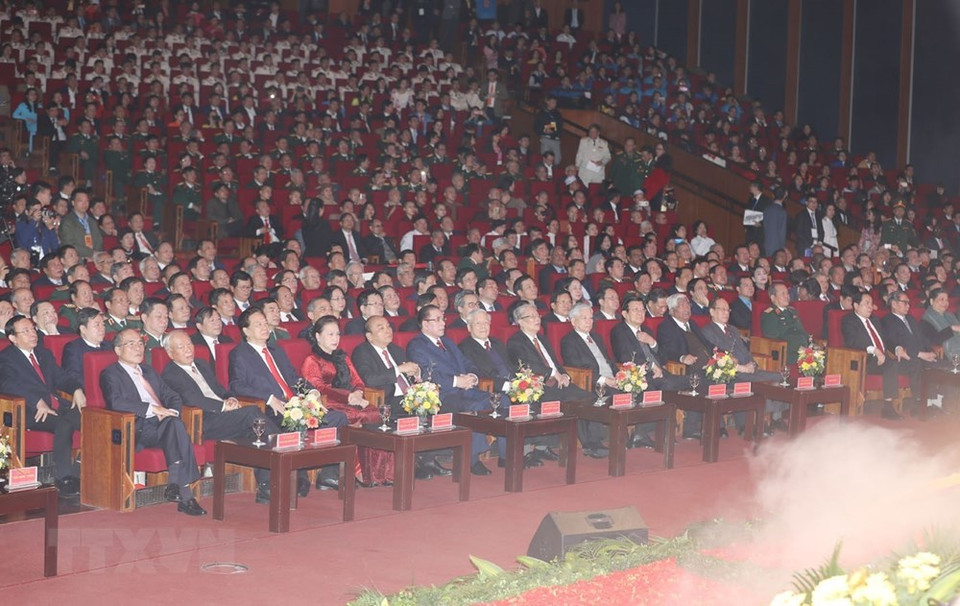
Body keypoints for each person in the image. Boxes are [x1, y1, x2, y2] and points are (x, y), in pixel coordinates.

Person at [228, 308, 348, 491]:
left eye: (265, 323)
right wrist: (269, 399)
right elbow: (237, 386)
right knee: (287, 426)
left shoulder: (276, 350)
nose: (264, 327)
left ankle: (328, 475)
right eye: (258, 324)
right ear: (245, 330)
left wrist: (312, 392)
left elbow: (293, 379)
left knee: (338, 418)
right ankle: (293, 476)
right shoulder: (239, 354)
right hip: (272, 410)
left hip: (296, 407)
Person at [161, 330, 277, 504]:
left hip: (224, 416)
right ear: (170, 353)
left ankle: (266, 486)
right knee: (252, 414)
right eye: (181, 347)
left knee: (255, 431)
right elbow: (191, 399)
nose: (188, 350)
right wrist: (223, 407)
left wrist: (230, 398)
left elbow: (219, 389)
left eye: (189, 345)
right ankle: (284, 445)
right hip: (204, 421)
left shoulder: (201, 364)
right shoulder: (171, 373)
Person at [100, 328, 206, 516]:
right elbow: (115, 401)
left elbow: (172, 396)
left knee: (174, 424)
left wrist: (170, 412)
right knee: (177, 428)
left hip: (163, 426)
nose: (138, 348)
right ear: (117, 350)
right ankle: (182, 491)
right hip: (138, 428)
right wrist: (152, 409)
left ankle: (179, 489)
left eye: (141, 343)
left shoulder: (149, 371)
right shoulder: (110, 373)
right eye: (131, 344)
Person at [406, 305, 499, 475]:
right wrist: (457, 381)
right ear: (425, 324)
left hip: (465, 389)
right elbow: (427, 375)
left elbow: (467, 362)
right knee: (474, 407)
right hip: (443, 395)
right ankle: (471, 460)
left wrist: (473, 376)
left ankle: (507, 456)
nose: (443, 323)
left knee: (501, 401)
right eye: (438, 320)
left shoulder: (447, 342)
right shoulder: (417, 345)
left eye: (443, 319)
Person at [300, 316, 393, 487]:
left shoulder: (343, 357)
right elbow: (317, 388)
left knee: (374, 413)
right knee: (353, 416)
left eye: (337, 334)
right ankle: (356, 472)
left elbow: (358, 381)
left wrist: (357, 393)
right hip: (328, 403)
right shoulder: (312, 360)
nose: (335, 339)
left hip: (351, 400)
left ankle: (377, 472)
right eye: (330, 334)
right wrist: (347, 396)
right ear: (318, 336)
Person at [0, 315, 84, 496]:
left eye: (33, 329)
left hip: (55, 405)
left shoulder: (43, 353)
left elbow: (61, 377)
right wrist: (36, 400)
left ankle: (79, 470)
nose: (32, 334)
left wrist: (76, 389)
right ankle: (64, 478)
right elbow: (8, 385)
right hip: (30, 411)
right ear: (13, 338)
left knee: (94, 421)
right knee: (64, 423)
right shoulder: (6, 358)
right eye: (26, 331)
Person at [840, 292, 902, 420]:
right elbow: (852, 342)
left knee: (909, 361)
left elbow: (885, 339)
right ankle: (888, 407)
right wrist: (874, 350)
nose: (870, 307)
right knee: (891, 365)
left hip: (883, 357)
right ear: (856, 305)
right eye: (866, 303)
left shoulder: (874, 320)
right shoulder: (849, 320)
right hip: (864, 359)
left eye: (871, 303)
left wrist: (897, 348)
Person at [761, 282, 812, 364]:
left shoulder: (792, 311)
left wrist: (810, 344)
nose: (787, 296)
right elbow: (773, 338)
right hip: (787, 354)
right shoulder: (769, 314)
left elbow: (802, 331)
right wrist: (799, 348)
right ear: (773, 297)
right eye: (782, 294)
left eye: (787, 293)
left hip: (803, 350)